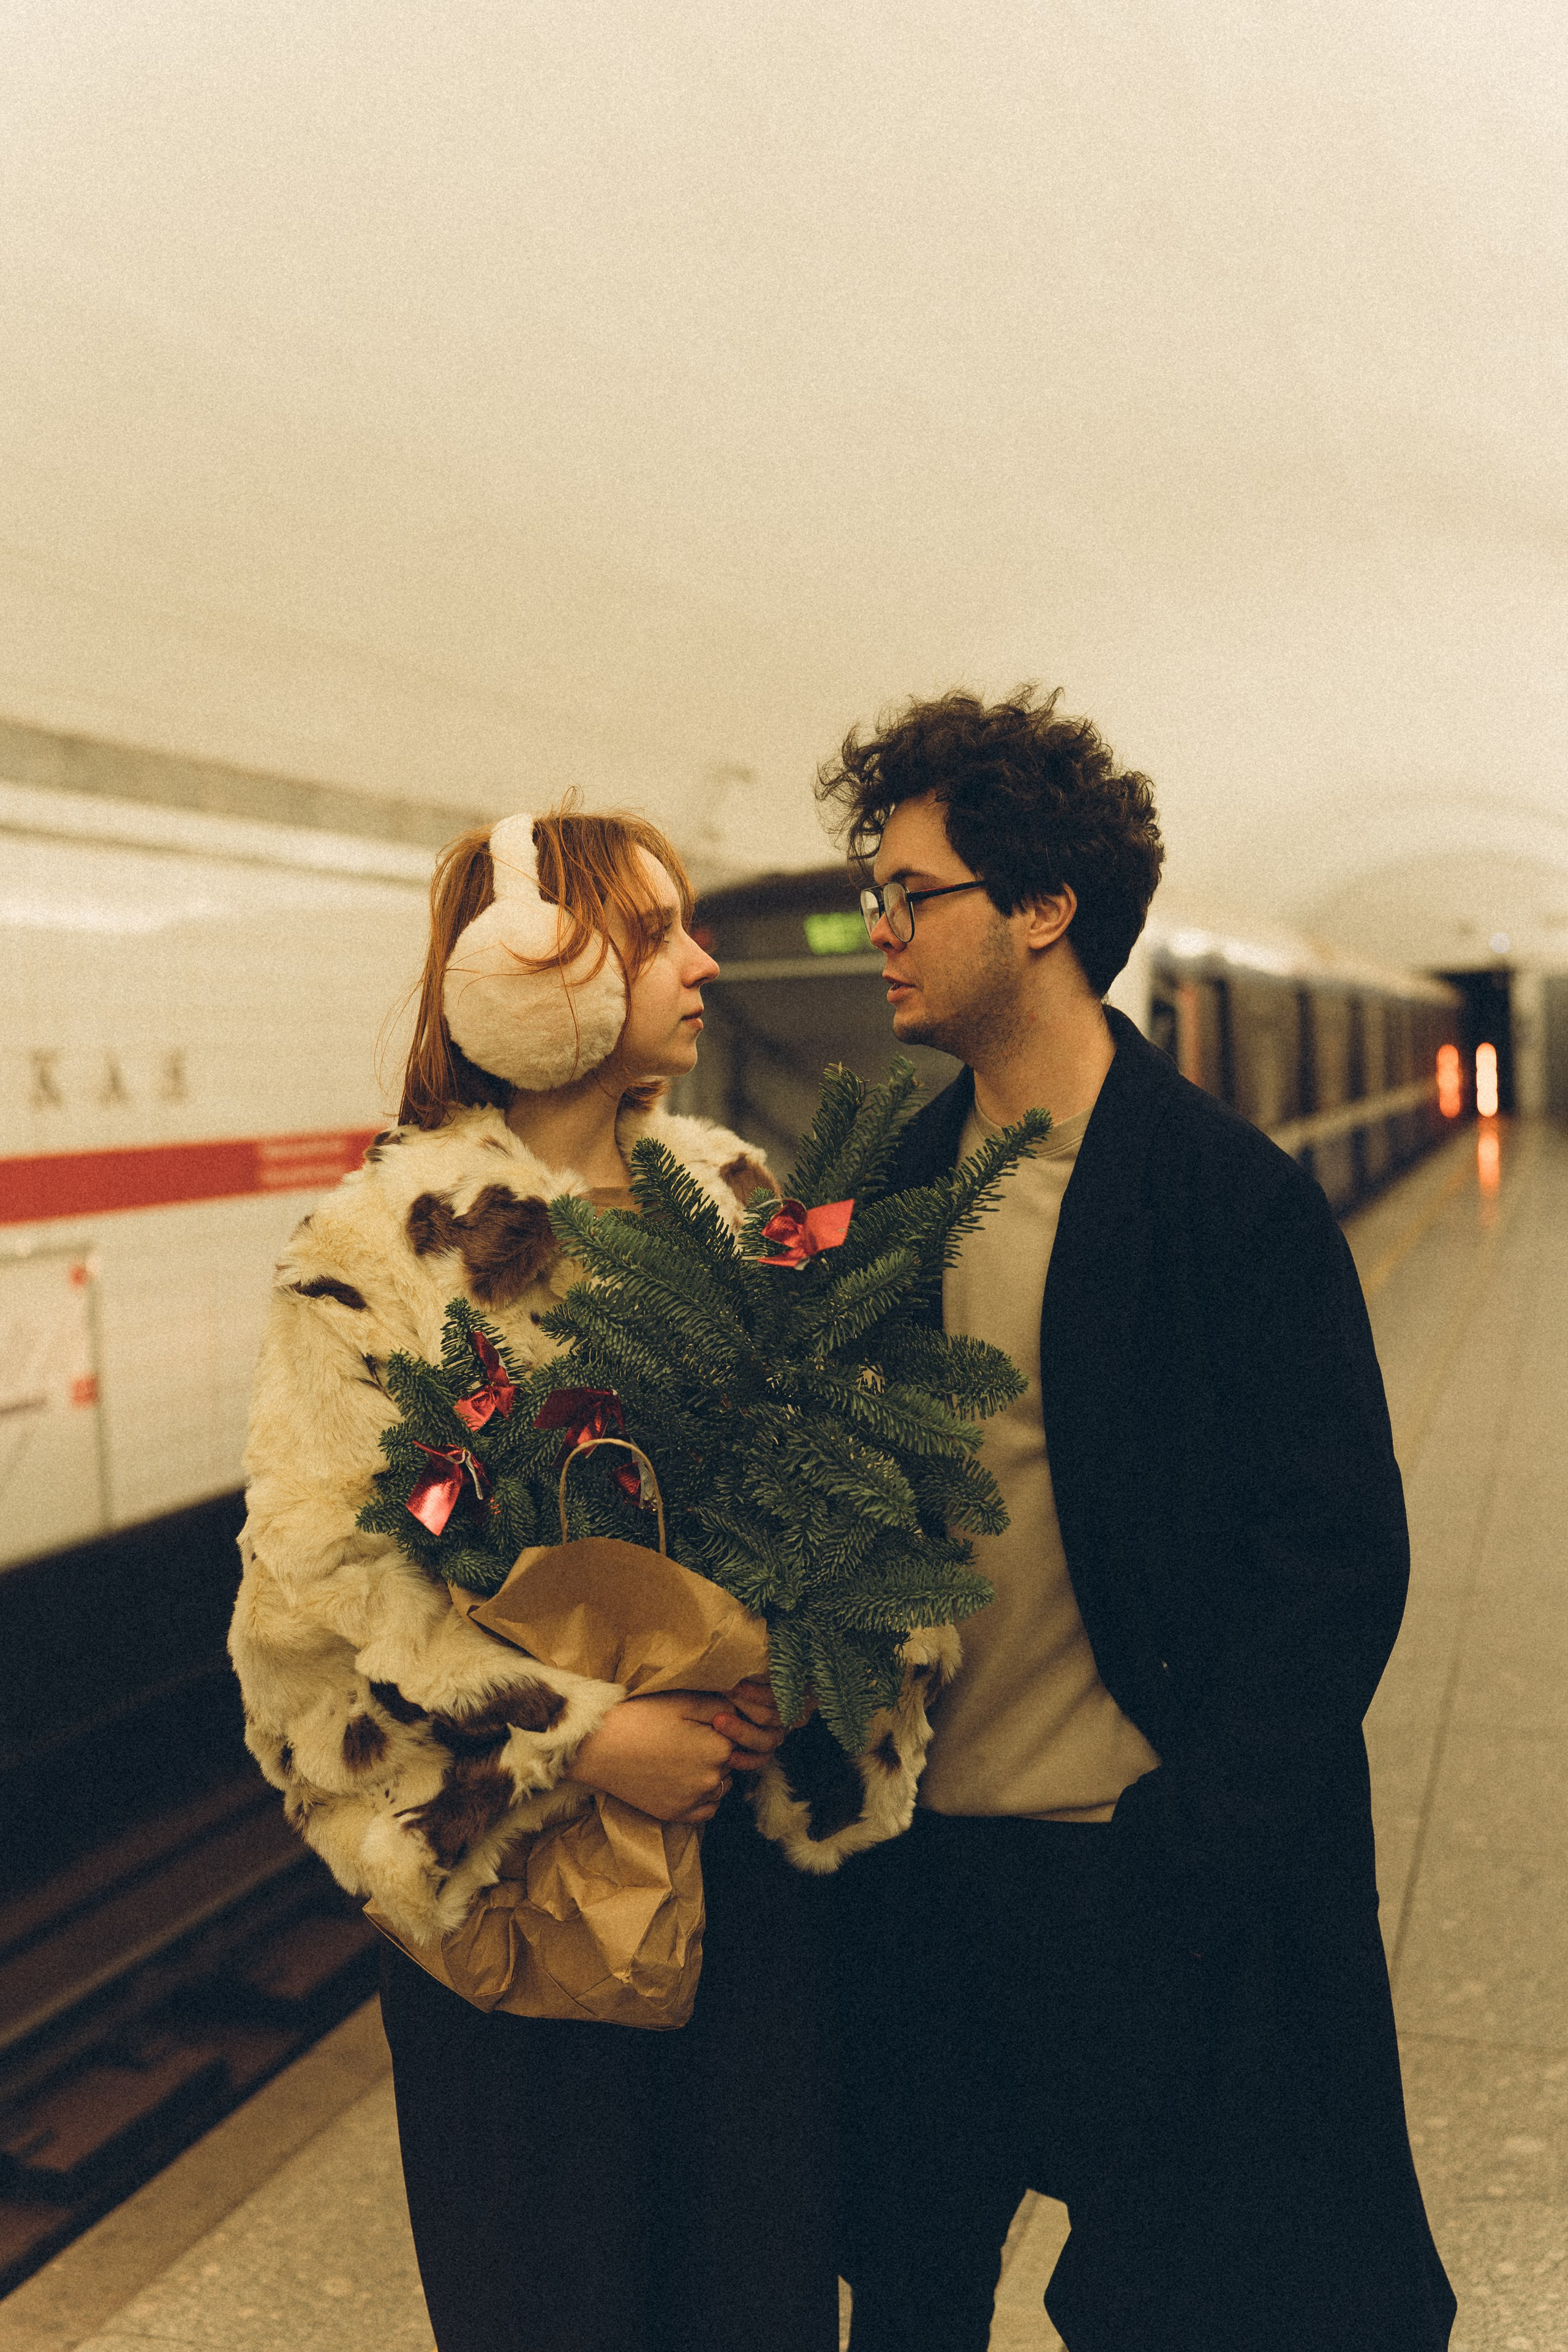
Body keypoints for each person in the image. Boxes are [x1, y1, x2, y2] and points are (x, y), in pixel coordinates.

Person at [229, 805, 939, 2352]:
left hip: (743, 1886)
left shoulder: (738, 1199)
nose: (699, 965)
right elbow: (315, 1615)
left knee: (753, 2296)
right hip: (512, 1905)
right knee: (551, 2301)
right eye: (655, 935)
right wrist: (581, 1733)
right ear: (524, 978)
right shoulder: (374, 1254)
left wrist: (798, 1673)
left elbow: (860, 1483)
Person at [817, 688, 1457, 2352]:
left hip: (1140, 1878)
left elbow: (1336, 1558)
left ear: (1043, 913)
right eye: (871, 894)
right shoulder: (893, 1193)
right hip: (923, 1888)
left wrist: (1195, 1834)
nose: (876, 930)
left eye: (912, 893)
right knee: (907, 2300)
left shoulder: (1227, 1200)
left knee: (1186, 2302)